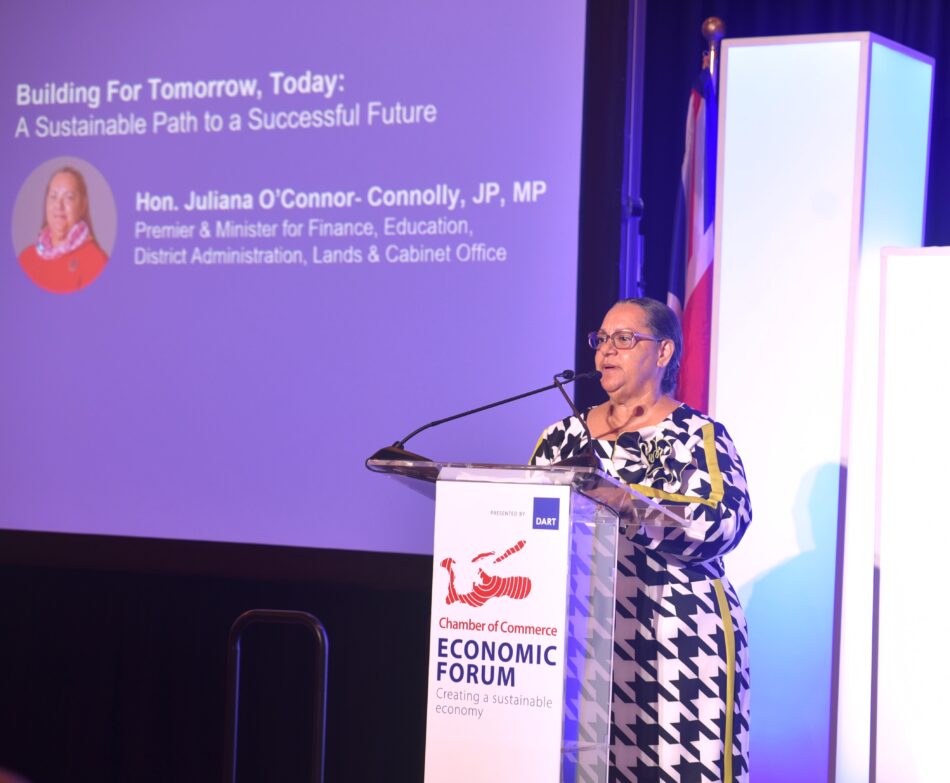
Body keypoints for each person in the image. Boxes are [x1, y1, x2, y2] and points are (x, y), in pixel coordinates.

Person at [531, 297, 751, 782]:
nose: (606, 350)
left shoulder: (697, 436)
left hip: (680, 638)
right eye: (602, 339)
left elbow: (724, 521)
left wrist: (629, 501)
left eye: (624, 339)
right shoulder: (561, 438)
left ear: (664, 352)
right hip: (581, 637)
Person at [18, 166, 108, 293]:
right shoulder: (26, 258)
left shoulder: (96, 261)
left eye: (69, 197)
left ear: (82, 205)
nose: (58, 205)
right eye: (53, 196)